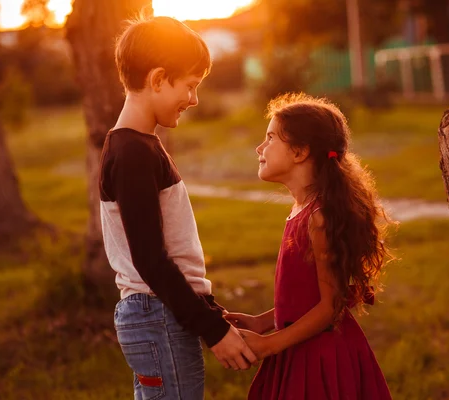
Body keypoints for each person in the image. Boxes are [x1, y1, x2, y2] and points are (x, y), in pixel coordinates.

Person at [98, 16, 256, 400]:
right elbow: (152, 261)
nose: (194, 99)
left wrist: (210, 309)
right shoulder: (133, 153)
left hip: (158, 314)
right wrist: (213, 330)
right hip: (157, 316)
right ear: (157, 80)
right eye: (189, 86)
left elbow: (170, 252)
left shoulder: (138, 146)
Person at [226, 93, 394, 400]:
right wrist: (262, 322)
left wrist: (270, 344)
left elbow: (330, 307)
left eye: (270, 138)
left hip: (320, 356)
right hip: (299, 345)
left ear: (300, 151)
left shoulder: (319, 218)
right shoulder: (300, 210)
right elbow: (307, 298)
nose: (259, 148)